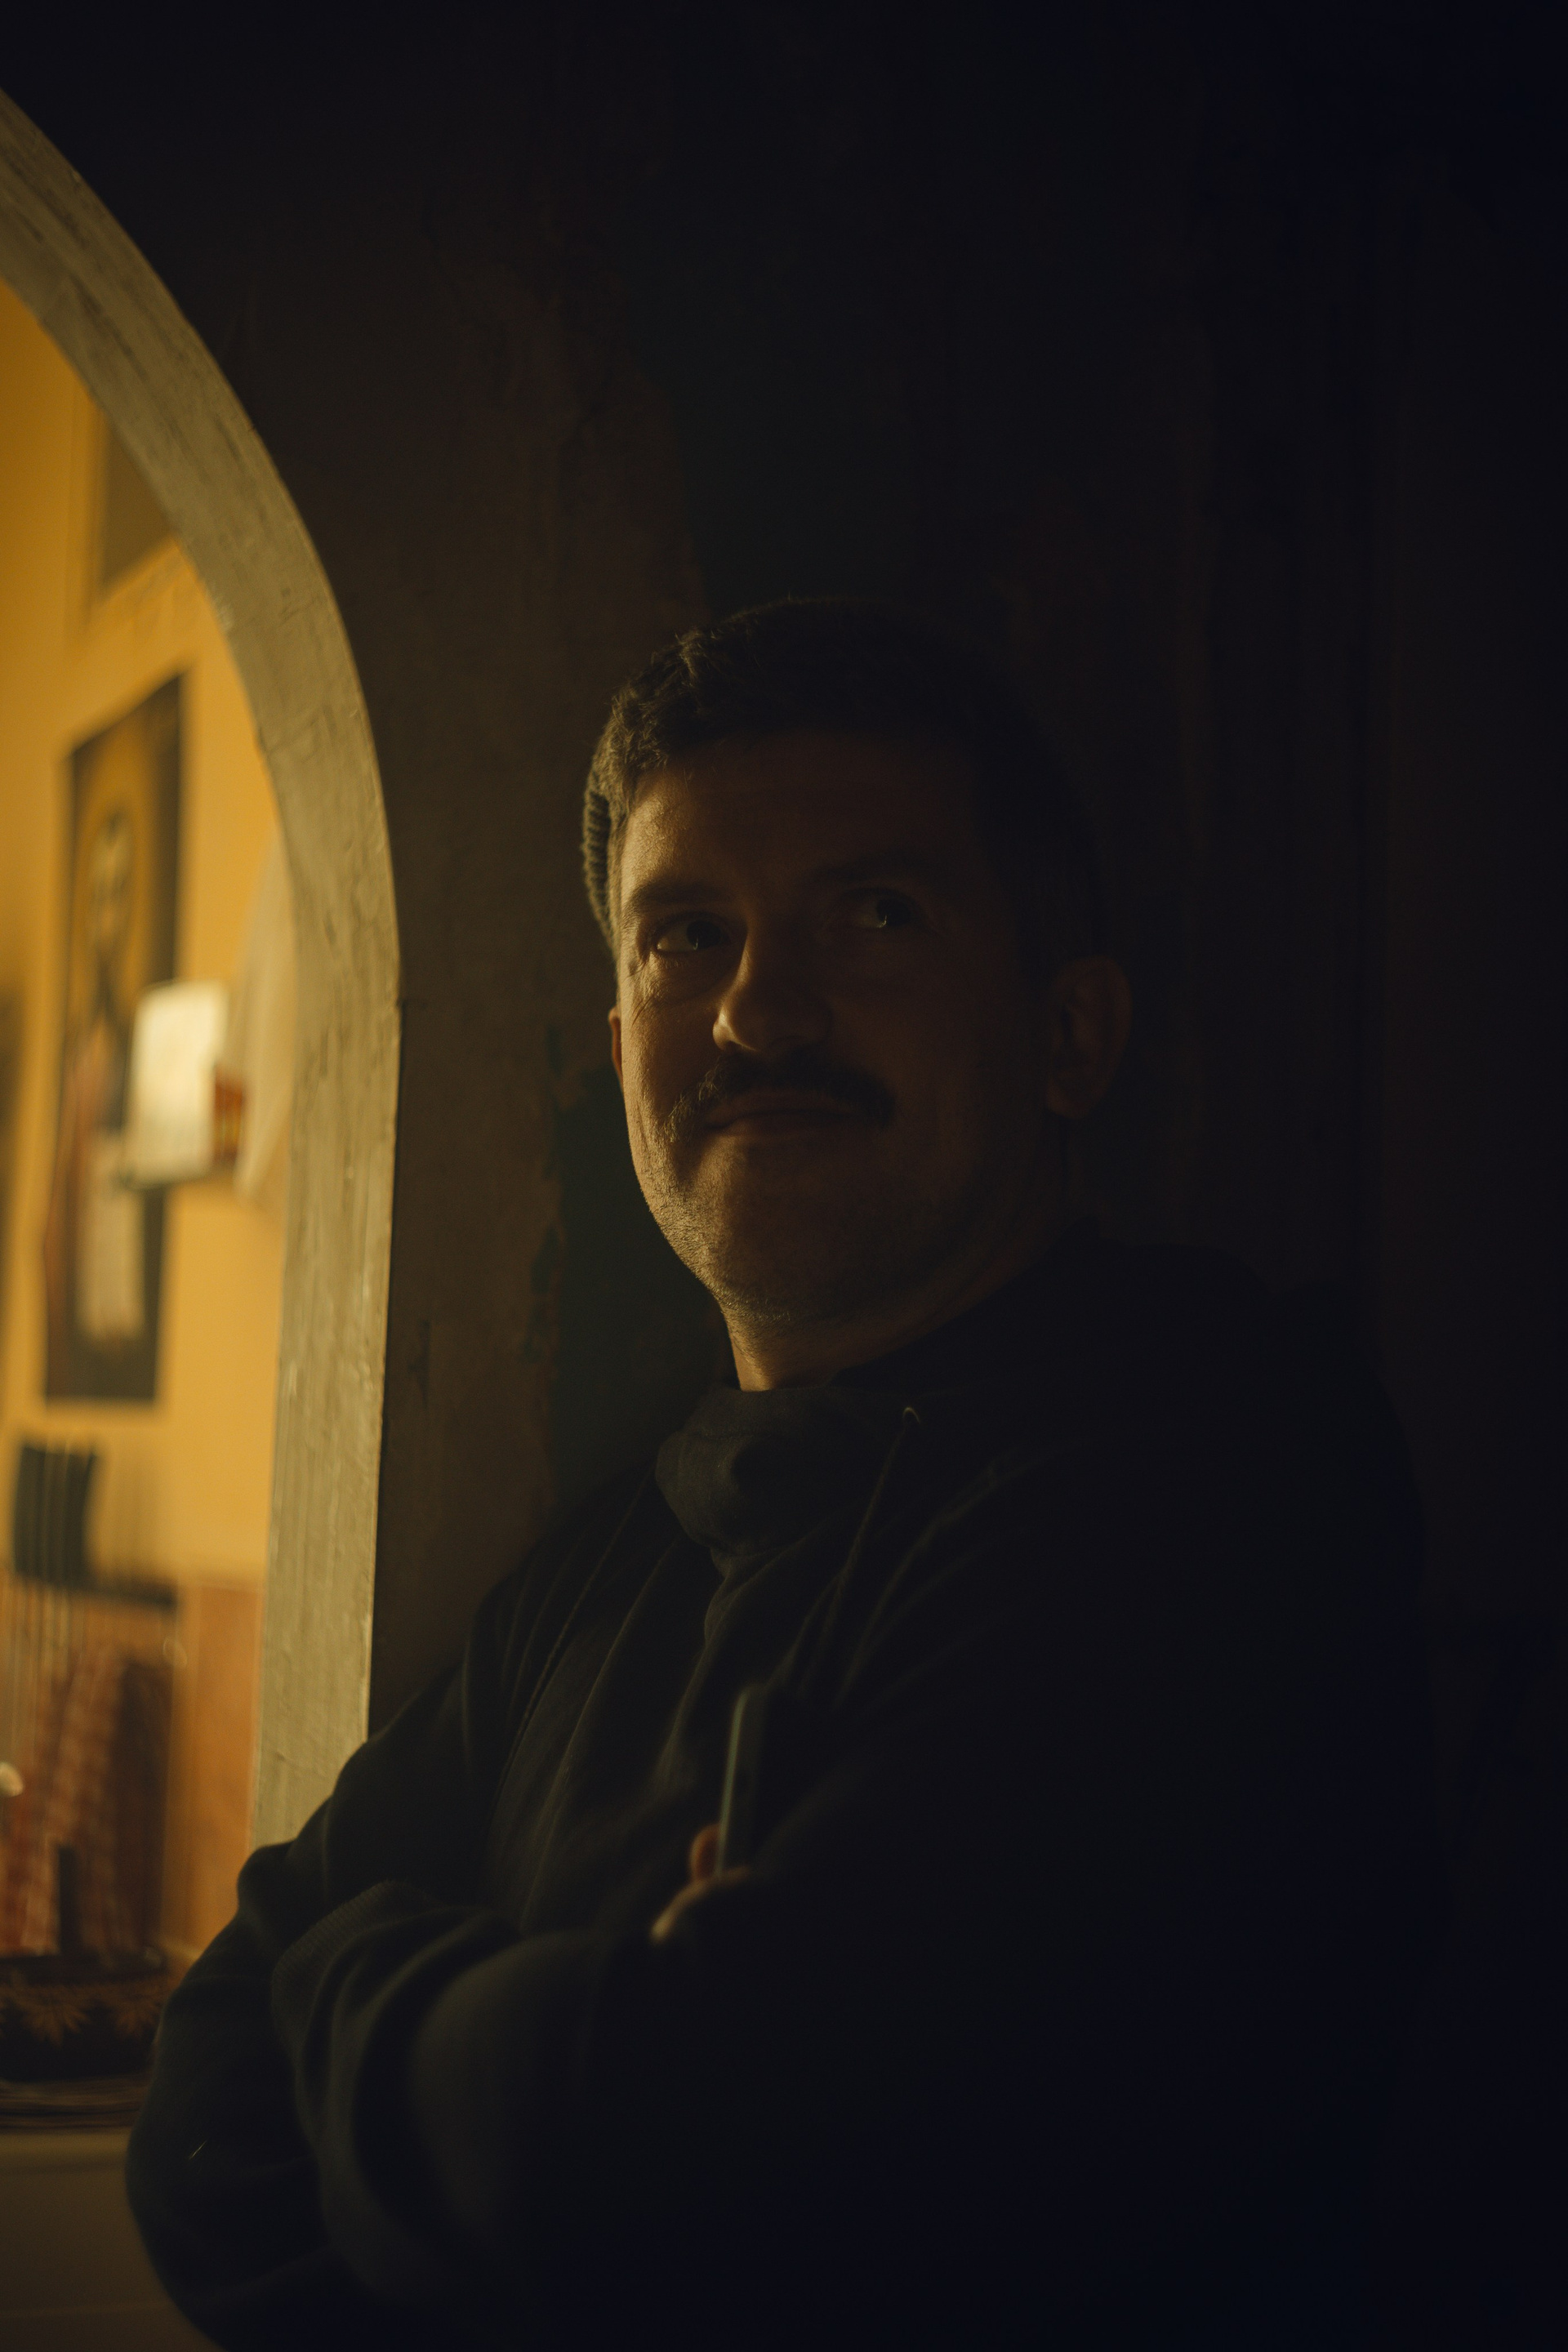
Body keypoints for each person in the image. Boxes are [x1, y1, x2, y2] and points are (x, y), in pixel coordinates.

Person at [127, 599, 1441, 2349]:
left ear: (1071, 1036)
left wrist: (355, 1977)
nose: (760, 1011)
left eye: (874, 914)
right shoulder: (607, 1559)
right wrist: (556, 2078)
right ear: (622, 1051)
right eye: (687, 938)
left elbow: (695, 2183)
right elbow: (202, 2117)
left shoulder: (1216, 1477)